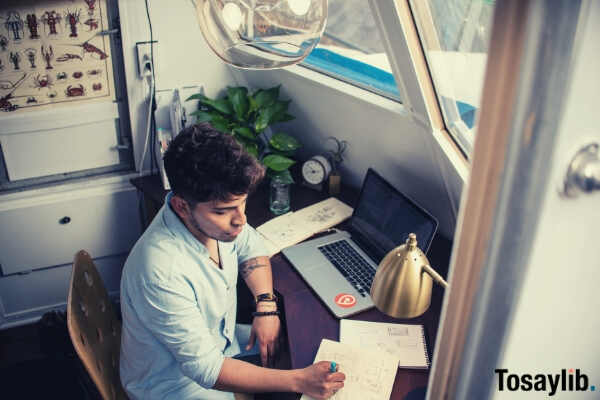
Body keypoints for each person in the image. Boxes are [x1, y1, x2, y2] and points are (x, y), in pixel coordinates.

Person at [119, 123, 345, 399]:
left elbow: (251, 243)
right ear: (181, 206)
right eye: (224, 211)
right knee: (297, 374)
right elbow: (208, 370)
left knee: (297, 346)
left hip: (220, 340)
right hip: (175, 384)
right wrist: (300, 381)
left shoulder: (213, 222)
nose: (241, 220)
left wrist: (266, 306)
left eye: (242, 203)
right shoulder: (160, 271)